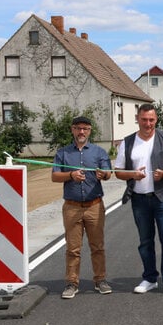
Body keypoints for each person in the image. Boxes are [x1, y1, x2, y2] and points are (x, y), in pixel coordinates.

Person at [114, 104, 163, 297]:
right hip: (139, 199)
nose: (148, 123)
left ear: (156, 119)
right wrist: (132, 175)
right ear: (138, 119)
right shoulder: (127, 143)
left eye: (151, 120)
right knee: (145, 242)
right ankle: (150, 279)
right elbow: (118, 171)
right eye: (144, 119)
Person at [51, 116, 112, 299]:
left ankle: (100, 280)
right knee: (73, 248)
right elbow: (55, 176)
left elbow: (108, 172)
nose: (81, 132)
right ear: (72, 130)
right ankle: (71, 283)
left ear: (90, 130)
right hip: (72, 207)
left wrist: (104, 175)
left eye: (85, 128)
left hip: (94, 206)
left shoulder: (99, 152)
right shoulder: (63, 153)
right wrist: (71, 175)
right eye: (78, 128)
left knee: (97, 246)